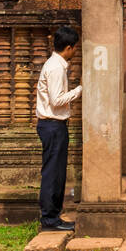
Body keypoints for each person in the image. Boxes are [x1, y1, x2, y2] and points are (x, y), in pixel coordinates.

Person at [35, 26, 82, 231]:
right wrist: (80, 89)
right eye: (75, 49)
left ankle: (53, 216)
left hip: (54, 125)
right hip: (52, 125)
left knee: (56, 172)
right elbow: (56, 101)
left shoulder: (56, 65)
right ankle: (49, 219)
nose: (75, 52)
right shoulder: (55, 68)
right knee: (53, 173)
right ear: (69, 47)